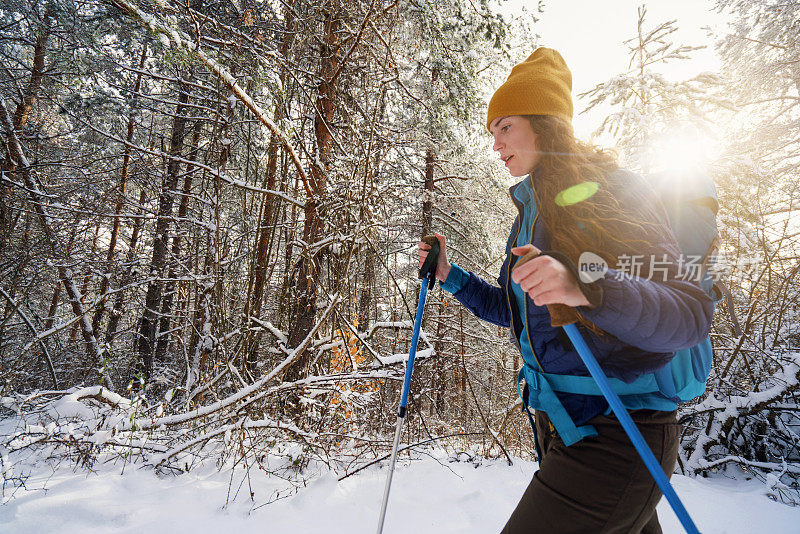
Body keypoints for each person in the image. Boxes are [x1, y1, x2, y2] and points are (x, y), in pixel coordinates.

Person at [417, 48, 714, 533]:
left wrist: (587, 285)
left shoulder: (617, 193)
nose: (496, 145)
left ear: (544, 122)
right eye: (492, 132)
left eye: (505, 127)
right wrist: (451, 275)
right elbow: (516, 311)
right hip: (568, 430)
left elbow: (689, 315)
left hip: (621, 433)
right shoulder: (528, 217)